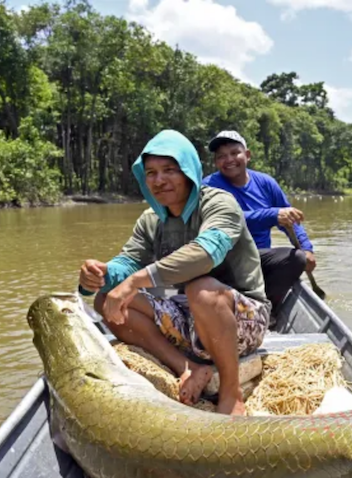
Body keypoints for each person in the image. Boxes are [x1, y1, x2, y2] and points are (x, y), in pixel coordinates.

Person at [77, 129, 270, 416]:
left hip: (243, 317)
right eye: (151, 172)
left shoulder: (219, 204)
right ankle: (189, 367)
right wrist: (98, 275)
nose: (159, 180)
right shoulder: (151, 219)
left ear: (190, 171)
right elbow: (128, 261)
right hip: (189, 314)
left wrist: (137, 280)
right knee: (106, 301)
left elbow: (207, 252)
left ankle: (231, 392)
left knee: (201, 289)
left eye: (169, 170)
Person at [202, 131, 316, 322]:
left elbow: (290, 218)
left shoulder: (266, 183)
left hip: (258, 258)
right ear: (216, 163)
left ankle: (265, 310)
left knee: (296, 258)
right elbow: (227, 218)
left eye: (234, 153)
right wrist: (272, 215)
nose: (228, 159)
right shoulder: (209, 186)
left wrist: (306, 248)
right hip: (225, 260)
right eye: (221, 156)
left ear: (247, 155)